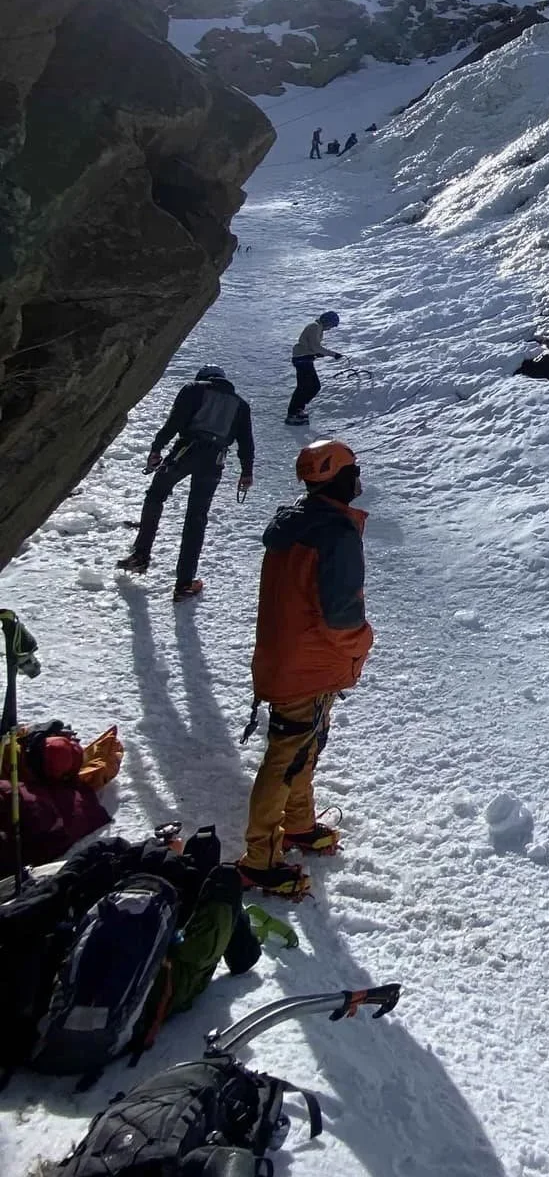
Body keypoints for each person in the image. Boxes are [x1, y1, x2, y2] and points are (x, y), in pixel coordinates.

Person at [239, 438, 373, 898]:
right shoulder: (335, 534)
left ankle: (297, 824)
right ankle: (261, 859)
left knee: (302, 747)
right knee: (286, 755)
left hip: (285, 657)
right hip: (308, 666)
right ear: (340, 477)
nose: (359, 478)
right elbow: (342, 617)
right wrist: (360, 648)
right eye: (354, 470)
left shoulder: (294, 523)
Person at [116, 365, 254, 601]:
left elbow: (175, 422)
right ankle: (184, 583)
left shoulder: (193, 389)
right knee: (196, 518)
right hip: (215, 460)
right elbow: (246, 442)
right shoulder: (240, 404)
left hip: (186, 451)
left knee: (156, 495)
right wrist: (246, 473)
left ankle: (141, 554)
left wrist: (157, 448)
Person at [286, 311, 341, 426]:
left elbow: (311, 346)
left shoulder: (317, 328)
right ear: (327, 321)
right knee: (308, 386)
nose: (330, 328)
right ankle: (293, 413)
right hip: (302, 359)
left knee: (309, 386)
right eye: (331, 325)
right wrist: (333, 354)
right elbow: (315, 346)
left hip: (304, 358)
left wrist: (316, 353)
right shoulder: (314, 327)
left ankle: (298, 410)